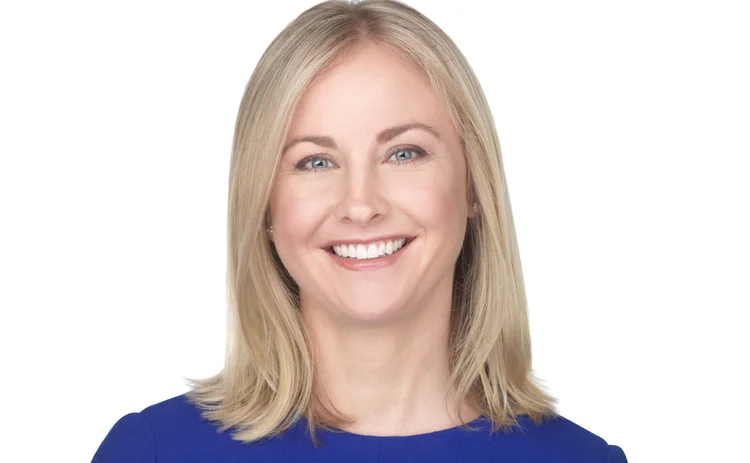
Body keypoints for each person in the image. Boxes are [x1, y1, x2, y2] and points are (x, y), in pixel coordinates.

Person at [92, 0, 627, 461]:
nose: (361, 204)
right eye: (315, 162)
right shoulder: (155, 453)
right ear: (265, 207)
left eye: (404, 153)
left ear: (472, 187)